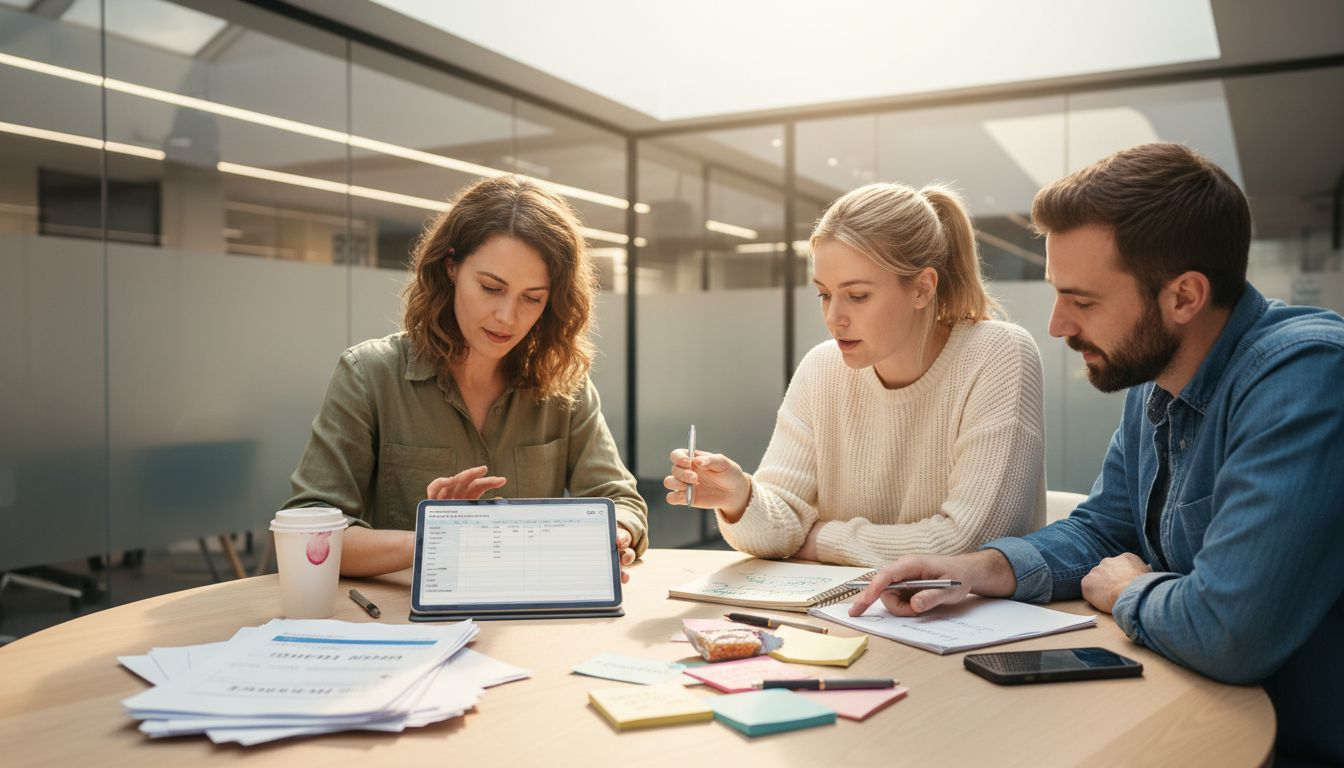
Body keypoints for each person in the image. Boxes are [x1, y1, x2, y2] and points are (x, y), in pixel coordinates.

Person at [850, 143, 1344, 766]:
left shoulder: (1306, 375)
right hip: (1189, 713)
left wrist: (1130, 591)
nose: (1057, 325)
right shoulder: (1156, 375)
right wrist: (980, 570)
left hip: (1286, 745)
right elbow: (1105, 528)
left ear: (1184, 297)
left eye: (1082, 301)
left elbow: (1230, 631)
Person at [665, 182, 1046, 567]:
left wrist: (819, 539)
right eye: (824, 295)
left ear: (922, 288)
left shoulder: (998, 354)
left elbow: (973, 544)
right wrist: (741, 498)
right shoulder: (822, 368)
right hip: (847, 616)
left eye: (858, 296)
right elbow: (781, 527)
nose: (833, 318)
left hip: (968, 621)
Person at [285, 175, 647, 578]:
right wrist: (435, 535)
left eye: (532, 298)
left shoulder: (564, 383)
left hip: (527, 619)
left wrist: (615, 535)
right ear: (451, 266)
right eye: (491, 288)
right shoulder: (369, 374)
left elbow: (617, 499)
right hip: (405, 626)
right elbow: (307, 529)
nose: (508, 317)